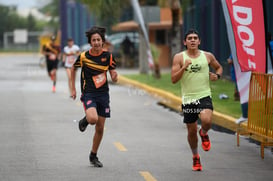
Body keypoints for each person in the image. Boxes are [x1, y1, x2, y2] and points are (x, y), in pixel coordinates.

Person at [171, 29, 223, 171]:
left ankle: (204, 133)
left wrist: (217, 76)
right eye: (190, 38)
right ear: (185, 42)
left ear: (199, 41)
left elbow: (219, 68)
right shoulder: (179, 57)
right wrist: (184, 67)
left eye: (195, 38)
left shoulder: (207, 56)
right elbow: (174, 79)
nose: (192, 40)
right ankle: (195, 157)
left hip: (204, 95)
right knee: (191, 131)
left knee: (206, 121)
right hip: (189, 99)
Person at [70, 26, 118, 167]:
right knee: (93, 119)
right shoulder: (84, 57)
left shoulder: (108, 56)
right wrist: (73, 89)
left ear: (102, 41)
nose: (96, 42)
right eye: (94, 40)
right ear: (90, 42)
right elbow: (73, 68)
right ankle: (84, 120)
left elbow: (113, 73)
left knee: (100, 128)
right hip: (89, 93)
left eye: (99, 40)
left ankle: (93, 155)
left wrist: (114, 76)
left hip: (103, 94)